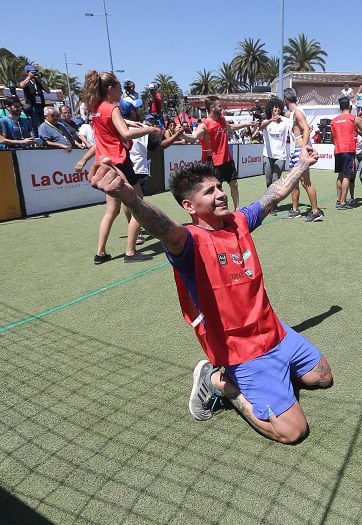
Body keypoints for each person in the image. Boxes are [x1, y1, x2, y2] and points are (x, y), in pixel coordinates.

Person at [87, 145, 333, 444]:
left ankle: (272, 379)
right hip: (241, 351)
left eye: (219, 187)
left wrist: (302, 163)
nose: (220, 194)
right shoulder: (188, 242)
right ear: (190, 206)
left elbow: (274, 194)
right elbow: (163, 227)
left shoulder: (238, 221)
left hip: (275, 333)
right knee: (293, 431)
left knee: (322, 378)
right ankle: (218, 382)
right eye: (209, 192)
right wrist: (129, 197)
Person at [81, 70, 163, 264]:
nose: (121, 93)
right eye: (118, 89)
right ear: (110, 89)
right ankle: (130, 252)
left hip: (103, 164)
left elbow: (108, 130)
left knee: (111, 211)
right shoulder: (112, 108)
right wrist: (150, 128)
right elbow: (125, 134)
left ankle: (100, 253)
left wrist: (130, 122)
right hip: (119, 162)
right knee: (138, 205)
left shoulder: (95, 109)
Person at [181, 96, 251, 211]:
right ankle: (220, 211)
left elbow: (231, 127)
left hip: (227, 158)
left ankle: (237, 209)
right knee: (217, 189)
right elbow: (194, 137)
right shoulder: (204, 124)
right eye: (219, 106)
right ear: (212, 108)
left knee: (234, 184)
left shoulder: (222, 119)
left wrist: (247, 124)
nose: (221, 108)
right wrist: (181, 134)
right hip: (213, 162)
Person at [331, 97, 362, 210]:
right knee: (347, 176)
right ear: (350, 107)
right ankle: (343, 202)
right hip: (348, 149)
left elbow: (331, 139)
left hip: (338, 150)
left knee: (340, 176)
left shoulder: (333, 121)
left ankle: (339, 201)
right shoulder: (353, 118)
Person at [283, 87, 323, 222]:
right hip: (296, 150)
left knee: (306, 183)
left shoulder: (298, 112)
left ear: (286, 100)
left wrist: (303, 149)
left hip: (300, 148)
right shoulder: (293, 113)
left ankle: (315, 212)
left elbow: (306, 130)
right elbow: (287, 116)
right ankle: (295, 210)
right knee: (294, 182)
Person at [258, 98, 291, 215]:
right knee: (268, 180)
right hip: (268, 155)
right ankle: (270, 201)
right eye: (274, 107)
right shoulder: (267, 121)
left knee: (275, 179)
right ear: (270, 109)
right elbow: (260, 127)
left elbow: (293, 116)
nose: (277, 109)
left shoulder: (285, 121)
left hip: (280, 156)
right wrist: (271, 119)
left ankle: (272, 205)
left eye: (279, 107)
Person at [18, 65, 50, 136]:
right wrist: (29, 77)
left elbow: (48, 90)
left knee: (42, 122)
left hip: (41, 104)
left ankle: (44, 135)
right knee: (34, 122)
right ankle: (35, 136)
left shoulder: (38, 80)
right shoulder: (23, 79)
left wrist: (40, 80)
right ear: (27, 72)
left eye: (35, 72)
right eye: (32, 72)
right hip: (32, 105)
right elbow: (21, 85)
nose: (34, 73)